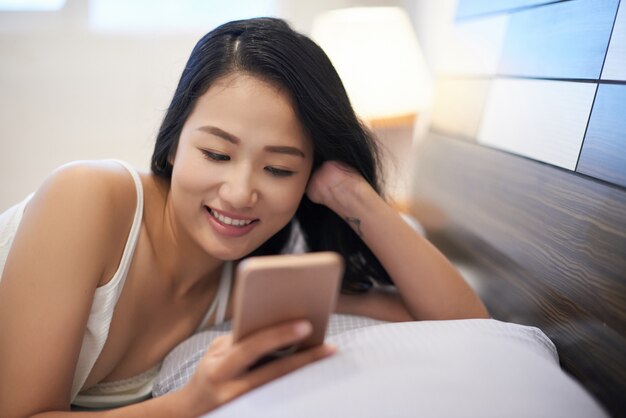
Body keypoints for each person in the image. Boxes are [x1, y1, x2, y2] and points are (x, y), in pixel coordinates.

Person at [0, 17, 488, 417]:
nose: (239, 194)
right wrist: (193, 402)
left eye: (278, 169)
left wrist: (353, 195)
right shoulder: (88, 198)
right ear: (172, 144)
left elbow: (470, 328)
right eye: (215, 153)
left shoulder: (248, 285)